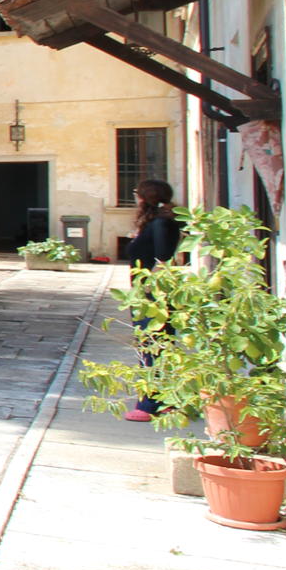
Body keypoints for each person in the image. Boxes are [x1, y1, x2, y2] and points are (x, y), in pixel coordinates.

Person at [121, 179, 182, 421]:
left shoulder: (160, 224)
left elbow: (162, 258)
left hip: (152, 296)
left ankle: (148, 405)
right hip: (148, 293)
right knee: (159, 346)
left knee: (151, 346)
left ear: (145, 197)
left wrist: (150, 294)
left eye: (137, 193)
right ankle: (167, 400)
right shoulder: (158, 223)